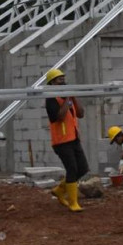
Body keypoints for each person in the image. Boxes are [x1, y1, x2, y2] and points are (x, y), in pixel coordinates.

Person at [45, 68, 89, 212]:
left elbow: (81, 114)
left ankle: (59, 190)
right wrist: (67, 99)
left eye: (63, 79)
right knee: (72, 169)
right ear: (52, 83)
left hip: (74, 138)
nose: (63, 82)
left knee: (82, 168)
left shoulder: (69, 98)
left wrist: (74, 98)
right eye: (59, 80)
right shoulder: (51, 99)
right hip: (61, 142)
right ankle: (73, 203)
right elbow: (60, 116)